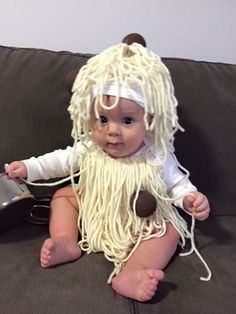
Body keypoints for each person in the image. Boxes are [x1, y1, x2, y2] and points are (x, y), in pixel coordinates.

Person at [5, 42, 210, 302]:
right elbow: (60, 160)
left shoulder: (156, 154)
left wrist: (190, 198)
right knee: (64, 196)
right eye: (103, 119)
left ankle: (134, 270)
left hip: (140, 226)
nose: (112, 130)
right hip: (96, 216)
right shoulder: (90, 148)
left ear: (148, 122)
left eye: (127, 121)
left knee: (170, 231)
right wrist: (29, 167)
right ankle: (66, 241)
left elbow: (177, 183)